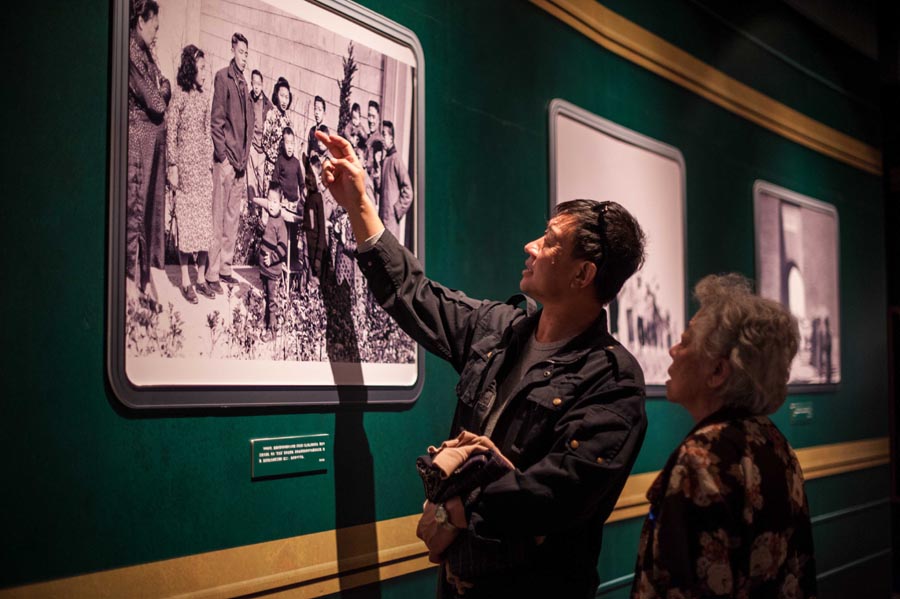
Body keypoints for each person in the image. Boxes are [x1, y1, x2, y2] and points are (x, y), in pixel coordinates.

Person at [316, 131, 648, 598]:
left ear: (583, 274)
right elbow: (416, 295)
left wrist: (455, 508)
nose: (530, 245)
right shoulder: (499, 328)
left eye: (550, 241)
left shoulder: (614, 382)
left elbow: (556, 493)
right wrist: (359, 205)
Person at [630, 274, 817, 599]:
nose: (673, 350)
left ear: (718, 372)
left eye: (686, 341)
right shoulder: (774, 441)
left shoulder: (702, 456)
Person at [126, 0, 170, 308]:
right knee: (135, 214)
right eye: (154, 24)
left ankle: (141, 288)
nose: (156, 31)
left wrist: (161, 90)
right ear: (141, 21)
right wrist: (160, 92)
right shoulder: (130, 52)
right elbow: (156, 101)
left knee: (146, 219)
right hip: (137, 142)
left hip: (149, 143)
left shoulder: (146, 54)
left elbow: (164, 85)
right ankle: (130, 292)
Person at [166, 44, 215, 303]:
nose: (205, 72)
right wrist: (172, 166)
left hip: (201, 171)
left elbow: (208, 133)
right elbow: (170, 131)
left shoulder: (204, 97)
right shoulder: (180, 96)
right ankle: (186, 281)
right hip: (185, 171)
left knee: (204, 226)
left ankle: (202, 278)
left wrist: (209, 160)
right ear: (190, 67)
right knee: (186, 226)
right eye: (202, 67)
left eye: (206, 68)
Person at [208, 32, 253, 293]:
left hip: (240, 165)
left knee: (232, 219)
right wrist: (223, 156)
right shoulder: (223, 77)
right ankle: (211, 274)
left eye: (247, 53)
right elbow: (217, 122)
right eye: (241, 52)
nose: (245, 57)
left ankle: (225, 268)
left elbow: (248, 125)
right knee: (217, 218)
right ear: (233, 49)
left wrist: (244, 159)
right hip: (225, 162)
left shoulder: (245, 84)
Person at [257, 181, 288, 340]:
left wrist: (273, 257)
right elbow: (262, 235)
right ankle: (265, 321)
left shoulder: (280, 224)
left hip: (273, 270)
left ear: (280, 204)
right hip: (264, 268)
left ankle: (272, 330)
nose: (271, 204)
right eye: (269, 200)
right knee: (266, 296)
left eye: (275, 202)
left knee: (272, 301)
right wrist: (261, 224)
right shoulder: (268, 218)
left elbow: (283, 247)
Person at [378, 120, 413, 241]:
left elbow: (408, 191)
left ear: (391, 138)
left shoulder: (396, 159)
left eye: (384, 134)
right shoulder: (386, 159)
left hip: (391, 220)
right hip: (382, 218)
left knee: (390, 253)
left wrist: (396, 209)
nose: (382, 138)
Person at [262, 77, 293, 197]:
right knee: (268, 199)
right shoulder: (271, 114)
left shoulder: (288, 120)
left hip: (283, 169)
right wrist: (275, 159)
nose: (284, 100)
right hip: (271, 166)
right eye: (282, 96)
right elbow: (265, 142)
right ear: (276, 96)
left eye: (287, 97)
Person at [248, 69, 273, 201]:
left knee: (262, 181)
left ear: (262, 84)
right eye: (254, 83)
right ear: (251, 83)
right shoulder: (248, 100)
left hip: (263, 149)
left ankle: (263, 212)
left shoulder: (267, 105)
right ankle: (252, 213)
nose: (256, 87)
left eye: (259, 84)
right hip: (252, 145)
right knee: (251, 181)